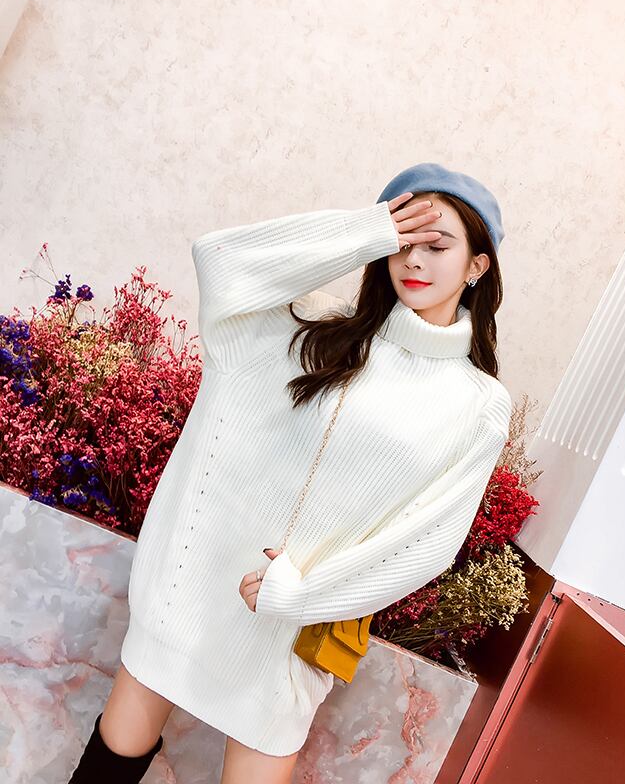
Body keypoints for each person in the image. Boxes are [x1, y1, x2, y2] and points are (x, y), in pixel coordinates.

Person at [67, 162, 513, 784]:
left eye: (436, 246)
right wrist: (367, 231)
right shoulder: (306, 324)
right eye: (401, 241)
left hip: (290, 625)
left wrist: (303, 594)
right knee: (112, 757)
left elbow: (428, 542)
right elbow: (221, 260)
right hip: (193, 588)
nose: (413, 259)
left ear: (477, 266)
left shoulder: (477, 405)